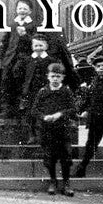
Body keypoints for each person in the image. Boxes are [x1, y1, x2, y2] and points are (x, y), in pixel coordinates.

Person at [31, 63, 77, 196]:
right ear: (48, 77)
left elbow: (73, 109)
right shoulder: (43, 92)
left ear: (62, 77)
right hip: (47, 129)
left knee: (66, 157)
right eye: (53, 76)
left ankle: (66, 183)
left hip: (63, 129)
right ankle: (53, 181)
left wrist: (60, 114)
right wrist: (44, 117)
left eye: (58, 76)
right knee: (49, 156)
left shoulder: (66, 91)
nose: (55, 79)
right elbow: (34, 110)